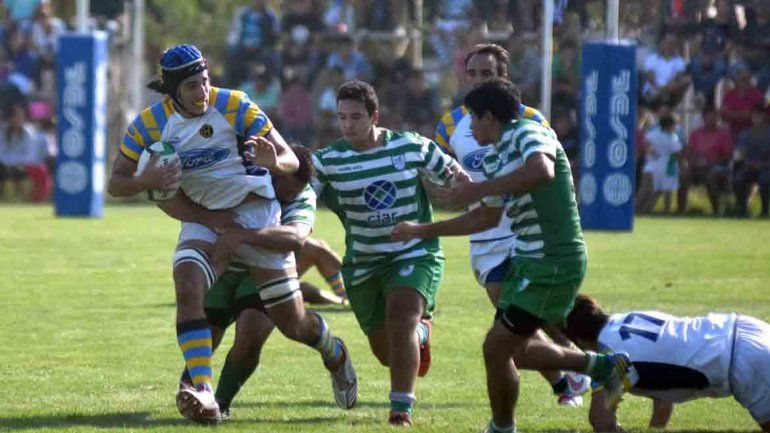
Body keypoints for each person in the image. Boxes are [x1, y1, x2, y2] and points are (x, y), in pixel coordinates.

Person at [107, 44, 356, 423]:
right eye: (191, 85)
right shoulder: (149, 124)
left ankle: (332, 350)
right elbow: (116, 183)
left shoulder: (235, 104)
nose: (202, 91)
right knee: (187, 283)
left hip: (256, 212)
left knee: (294, 324)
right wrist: (148, 179)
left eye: (204, 81)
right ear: (173, 91)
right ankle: (204, 391)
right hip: (203, 217)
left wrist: (275, 160)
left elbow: (288, 158)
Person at [394, 79, 631, 433]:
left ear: (490, 117)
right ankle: (602, 368)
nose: (470, 128)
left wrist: (480, 189)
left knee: (497, 348)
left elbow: (542, 170)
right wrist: (419, 230)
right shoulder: (494, 158)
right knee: (513, 351)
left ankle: (506, 425)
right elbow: (484, 217)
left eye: (473, 119)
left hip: (553, 260)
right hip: (530, 262)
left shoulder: (527, 131)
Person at [433, 43, 590, 408]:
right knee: (518, 319)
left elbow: (543, 170)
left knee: (536, 319)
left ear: (503, 77)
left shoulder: (529, 119)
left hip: (523, 233)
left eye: (486, 74)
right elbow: (443, 170)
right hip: (485, 233)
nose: (477, 80)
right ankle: (568, 381)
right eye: (472, 73)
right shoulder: (451, 123)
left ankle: (580, 373)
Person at [312, 79, 467, 426]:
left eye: (355, 117)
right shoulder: (329, 161)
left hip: (414, 254)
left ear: (375, 116)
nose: (347, 125)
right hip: (364, 263)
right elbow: (301, 191)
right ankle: (421, 332)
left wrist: (467, 187)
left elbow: (456, 175)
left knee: (401, 319)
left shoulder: (412, 147)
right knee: (387, 353)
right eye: (341, 118)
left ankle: (401, 410)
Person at [176, 144, 346, 419]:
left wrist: (242, 236)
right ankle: (195, 391)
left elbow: (295, 238)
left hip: (266, 266)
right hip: (227, 263)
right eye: (285, 189)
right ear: (274, 171)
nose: (287, 197)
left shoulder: (302, 194)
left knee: (254, 336)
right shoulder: (244, 175)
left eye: (293, 192)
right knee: (208, 331)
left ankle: (220, 403)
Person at [564, 294, 770, 433]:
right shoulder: (623, 319)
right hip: (742, 326)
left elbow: (601, 422)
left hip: (741, 360)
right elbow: (663, 392)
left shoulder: (610, 356)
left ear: (580, 341)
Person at [682, 107, 733, 215]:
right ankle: (681, 210)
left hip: (717, 166)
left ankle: (716, 210)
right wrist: (693, 162)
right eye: (708, 117)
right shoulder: (695, 134)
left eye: (714, 117)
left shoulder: (723, 134)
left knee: (711, 176)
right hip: (698, 166)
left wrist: (714, 162)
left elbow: (727, 155)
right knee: (683, 176)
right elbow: (689, 150)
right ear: (703, 118)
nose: (711, 119)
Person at [636, 113, 684, 214]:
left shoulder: (653, 133)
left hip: (650, 167)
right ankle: (663, 211)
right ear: (669, 125)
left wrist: (650, 150)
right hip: (666, 167)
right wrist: (683, 165)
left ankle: (635, 211)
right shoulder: (672, 137)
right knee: (662, 191)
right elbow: (677, 153)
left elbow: (646, 143)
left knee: (644, 192)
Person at [733, 106, 770, 218]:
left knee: (765, 180)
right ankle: (742, 210)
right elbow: (741, 153)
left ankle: (764, 211)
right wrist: (748, 163)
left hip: (767, 168)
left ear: (765, 117)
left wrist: (762, 165)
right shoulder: (744, 135)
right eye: (755, 116)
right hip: (749, 168)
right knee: (738, 180)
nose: (758, 119)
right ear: (752, 118)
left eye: (760, 116)